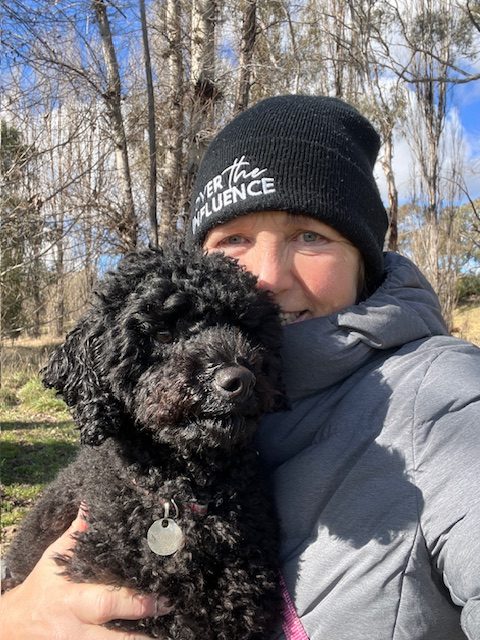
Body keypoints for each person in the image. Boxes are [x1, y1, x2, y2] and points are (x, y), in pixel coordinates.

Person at [1, 95, 479, 640]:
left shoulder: (449, 401)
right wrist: (15, 619)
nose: (269, 276)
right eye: (235, 239)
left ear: (364, 260)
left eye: (310, 236)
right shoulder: (146, 447)